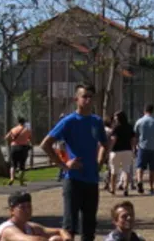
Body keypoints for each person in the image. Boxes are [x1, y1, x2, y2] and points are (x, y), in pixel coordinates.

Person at [40, 84, 109, 241]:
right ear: (76, 99)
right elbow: (46, 144)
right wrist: (63, 165)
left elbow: (105, 144)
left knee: (89, 226)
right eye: (84, 96)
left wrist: (99, 162)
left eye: (91, 97)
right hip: (73, 179)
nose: (88, 100)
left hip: (91, 179)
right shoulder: (69, 121)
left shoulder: (96, 121)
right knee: (70, 226)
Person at [0, 191, 73, 241]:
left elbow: (60, 231)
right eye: (22, 207)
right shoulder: (8, 230)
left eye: (29, 206)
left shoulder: (30, 227)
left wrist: (66, 239)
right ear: (12, 210)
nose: (27, 210)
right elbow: (35, 240)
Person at [133, 104, 154, 196]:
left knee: (140, 167)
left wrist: (134, 147)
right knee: (153, 169)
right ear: (153, 111)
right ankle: (151, 187)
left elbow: (135, 136)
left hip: (142, 147)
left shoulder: (139, 121)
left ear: (144, 110)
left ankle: (139, 180)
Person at [108, 111, 136, 197]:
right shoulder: (129, 127)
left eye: (116, 117)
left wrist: (109, 149)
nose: (115, 118)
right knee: (126, 170)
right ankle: (126, 188)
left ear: (119, 118)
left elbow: (113, 139)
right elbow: (133, 139)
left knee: (114, 171)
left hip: (116, 151)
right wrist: (133, 148)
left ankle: (112, 189)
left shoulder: (116, 128)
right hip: (127, 150)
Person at [4, 117, 32, 186]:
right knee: (22, 165)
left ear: (18, 122)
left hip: (14, 147)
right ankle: (21, 181)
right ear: (24, 122)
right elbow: (30, 138)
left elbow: (6, 138)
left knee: (13, 164)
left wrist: (12, 140)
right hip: (23, 147)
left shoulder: (13, 129)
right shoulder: (27, 130)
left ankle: (12, 178)